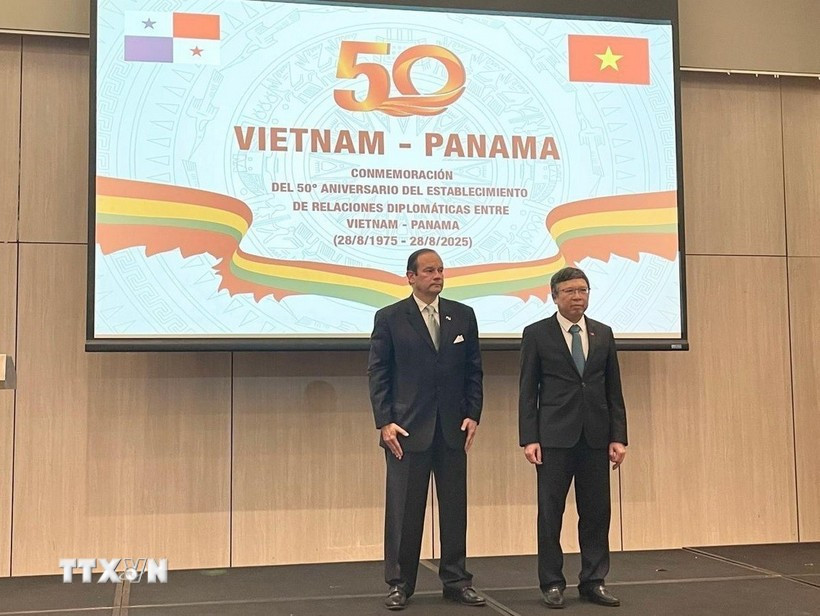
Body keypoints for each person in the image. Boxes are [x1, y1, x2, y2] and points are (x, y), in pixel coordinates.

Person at [368, 249, 485, 611]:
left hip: (452, 428)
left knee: (454, 509)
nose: (437, 275)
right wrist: (384, 421)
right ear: (410, 277)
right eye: (429, 270)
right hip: (405, 430)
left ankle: (456, 579)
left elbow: (473, 370)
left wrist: (473, 413)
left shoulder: (462, 316)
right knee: (405, 511)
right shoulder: (390, 318)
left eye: (440, 270)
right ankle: (400, 583)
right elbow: (379, 373)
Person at [518, 266, 628, 609]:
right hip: (553, 438)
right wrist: (528, 438)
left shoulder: (603, 334)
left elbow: (613, 390)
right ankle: (551, 582)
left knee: (597, 513)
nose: (577, 296)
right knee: (551, 514)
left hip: (596, 437)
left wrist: (618, 437)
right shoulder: (537, 334)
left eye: (583, 290)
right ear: (555, 296)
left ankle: (593, 580)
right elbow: (527, 390)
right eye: (569, 291)